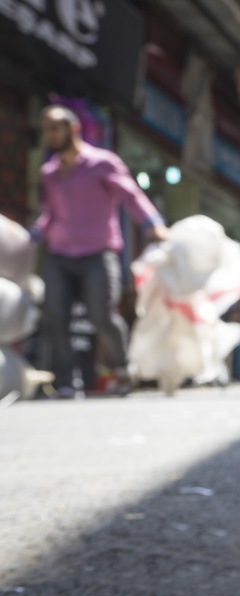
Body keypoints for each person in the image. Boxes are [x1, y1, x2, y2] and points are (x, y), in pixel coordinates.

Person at [30, 105, 169, 398]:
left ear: (73, 129)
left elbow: (131, 195)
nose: (50, 135)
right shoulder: (50, 171)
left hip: (98, 251)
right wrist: (33, 235)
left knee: (101, 315)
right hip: (59, 253)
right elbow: (51, 213)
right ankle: (67, 381)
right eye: (46, 129)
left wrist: (152, 224)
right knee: (55, 315)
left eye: (55, 128)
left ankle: (123, 367)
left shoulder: (103, 163)